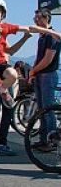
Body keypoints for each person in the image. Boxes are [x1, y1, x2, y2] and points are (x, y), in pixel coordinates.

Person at [0, 32, 32, 156]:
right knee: (8, 111)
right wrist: (25, 37)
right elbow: (11, 51)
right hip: (4, 77)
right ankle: (1, 144)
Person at [28, 8, 61, 152]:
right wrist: (33, 72)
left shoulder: (52, 36)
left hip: (48, 75)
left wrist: (34, 70)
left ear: (46, 19)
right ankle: (43, 140)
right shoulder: (42, 36)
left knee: (48, 109)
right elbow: (39, 57)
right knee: (41, 110)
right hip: (40, 75)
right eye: (35, 18)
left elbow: (48, 59)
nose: (35, 21)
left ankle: (52, 141)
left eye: (38, 18)